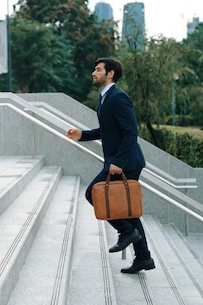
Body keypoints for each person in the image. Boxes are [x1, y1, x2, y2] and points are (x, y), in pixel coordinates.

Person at [66, 57, 154, 274]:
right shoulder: (105, 98)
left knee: (93, 194)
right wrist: (83, 135)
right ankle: (143, 257)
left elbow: (130, 132)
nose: (93, 73)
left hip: (125, 162)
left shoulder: (118, 97)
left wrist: (118, 162)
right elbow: (107, 130)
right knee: (129, 211)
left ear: (110, 73)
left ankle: (126, 231)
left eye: (98, 69)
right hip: (121, 161)